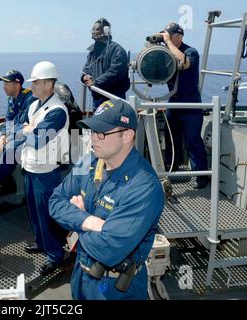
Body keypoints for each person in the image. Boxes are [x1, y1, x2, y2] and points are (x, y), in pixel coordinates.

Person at [49, 99, 164, 299]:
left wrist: (75, 220)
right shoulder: (89, 162)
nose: (94, 139)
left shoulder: (144, 187)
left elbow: (108, 248)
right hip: (81, 275)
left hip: (115, 288)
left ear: (127, 135)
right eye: (92, 132)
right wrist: (89, 221)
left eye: (102, 133)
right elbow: (55, 201)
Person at [21, 61, 70, 276]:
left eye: (36, 82)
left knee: (46, 214)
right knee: (33, 211)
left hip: (46, 171)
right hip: (30, 166)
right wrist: (29, 129)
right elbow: (22, 126)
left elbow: (39, 139)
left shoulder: (57, 111)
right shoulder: (33, 105)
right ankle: (41, 242)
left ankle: (55, 256)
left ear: (49, 84)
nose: (32, 86)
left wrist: (29, 130)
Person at [160, 22, 209, 189]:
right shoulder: (167, 52)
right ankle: (172, 169)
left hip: (190, 104)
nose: (167, 38)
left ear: (179, 36)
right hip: (173, 102)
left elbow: (184, 62)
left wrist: (167, 43)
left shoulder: (191, 52)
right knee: (171, 138)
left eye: (169, 35)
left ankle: (201, 176)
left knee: (192, 140)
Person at [0, 70, 36, 196]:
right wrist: (3, 136)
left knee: (10, 149)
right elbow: (9, 120)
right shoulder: (11, 99)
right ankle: (4, 182)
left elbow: (26, 123)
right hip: (14, 131)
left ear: (17, 85)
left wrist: (9, 136)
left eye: (7, 83)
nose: (4, 87)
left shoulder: (30, 98)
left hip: (29, 133)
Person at [82, 18, 130, 110]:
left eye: (96, 29)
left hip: (113, 100)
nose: (92, 32)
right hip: (97, 100)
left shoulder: (117, 50)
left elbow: (116, 72)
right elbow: (86, 69)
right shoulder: (93, 51)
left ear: (106, 31)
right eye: (92, 29)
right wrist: (84, 76)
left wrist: (96, 82)